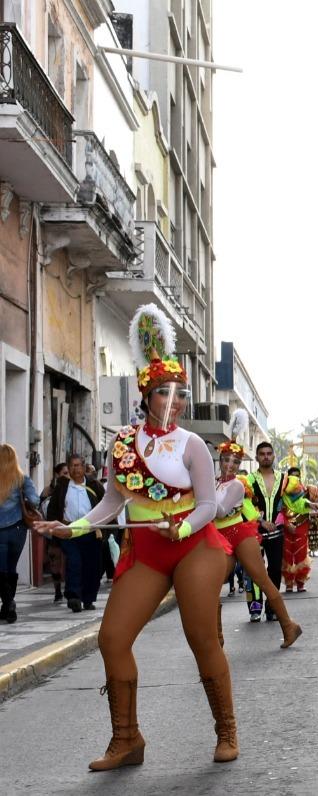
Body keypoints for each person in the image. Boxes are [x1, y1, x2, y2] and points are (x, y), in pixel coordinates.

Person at [34, 303, 238, 769]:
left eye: (179, 393)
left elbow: (208, 505)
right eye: (165, 392)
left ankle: (226, 729)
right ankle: (127, 739)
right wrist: (74, 527)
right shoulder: (123, 445)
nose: (175, 400)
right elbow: (112, 503)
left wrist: (182, 525)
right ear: (146, 397)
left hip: (193, 545)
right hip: (146, 550)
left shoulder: (193, 446)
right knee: (113, 637)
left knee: (201, 635)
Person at [213, 411, 302, 649]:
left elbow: (224, 512)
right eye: (226, 460)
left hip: (239, 535)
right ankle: (217, 636)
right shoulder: (213, 482)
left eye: (235, 462)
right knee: (214, 582)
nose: (230, 465)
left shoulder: (237, 485)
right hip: (220, 539)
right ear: (219, 459)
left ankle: (288, 625)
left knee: (263, 579)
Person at [45, 454, 106, 611]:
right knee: (74, 561)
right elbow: (52, 510)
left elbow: (106, 507)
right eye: (72, 465)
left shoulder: (94, 485)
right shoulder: (62, 487)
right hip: (69, 531)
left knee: (91, 566)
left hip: (91, 532)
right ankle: (73, 596)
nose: (75, 468)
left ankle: (88, 599)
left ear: (84, 467)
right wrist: (56, 529)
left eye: (78, 465)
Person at [0, 443, 40, 623]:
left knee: (1, 570)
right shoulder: (22, 479)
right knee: (11, 568)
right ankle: (8, 605)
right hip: (17, 530)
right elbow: (34, 500)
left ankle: (8, 603)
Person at [279, 465, 318, 593]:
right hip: (286, 528)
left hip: (302, 527)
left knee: (301, 555)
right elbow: (279, 511)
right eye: (292, 476)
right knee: (287, 555)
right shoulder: (281, 492)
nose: (295, 479)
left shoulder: (308, 490)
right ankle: (289, 582)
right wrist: (287, 524)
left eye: (297, 476)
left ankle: (300, 582)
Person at [248, 443, 286, 621]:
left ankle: (272, 607)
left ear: (273, 456)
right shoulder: (248, 480)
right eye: (262, 454)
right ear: (256, 457)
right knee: (254, 570)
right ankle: (255, 607)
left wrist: (309, 505)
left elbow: (295, 502)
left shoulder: (284, 479)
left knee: (275, 569)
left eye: (269, 453)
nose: (265, 457)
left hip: (277, 533)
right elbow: (244, 504)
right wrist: (260, 520)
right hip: (254, 532)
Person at [39, 461, 68, 604]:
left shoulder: (74, 488)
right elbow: (42, 511)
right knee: (55, 561)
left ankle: (70, 589)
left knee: (70, 560)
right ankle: (57, 591)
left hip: (69, 530)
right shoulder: (47, 491)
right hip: (54, 532)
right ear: (57, 474)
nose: (67, 476)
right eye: (64, 473)